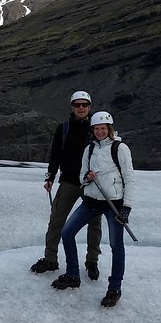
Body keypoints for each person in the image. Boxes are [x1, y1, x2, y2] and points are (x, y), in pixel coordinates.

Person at [51, 111, 135, 307]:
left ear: (109, 129)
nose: (99, 132)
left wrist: (127, 208)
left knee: (116, 245)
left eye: (103, 128)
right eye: (96, 129)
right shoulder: (89, 149)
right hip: (91, 200)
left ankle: (114, 288)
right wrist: (86, 178)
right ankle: (73, 274)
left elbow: (129, 178)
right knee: (67, 232)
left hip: (114, 203)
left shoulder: (120, 148)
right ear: (93, 130)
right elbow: (81, 176)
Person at [30, 91, 102, 279]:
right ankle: (50, 259)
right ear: (72, 107)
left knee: (94, 223)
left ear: (89, 107)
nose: (81, 108)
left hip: (92, 184)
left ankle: (92, 261)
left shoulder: (97, 129)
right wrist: (50, 177)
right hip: (69, 181)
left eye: (84, 105)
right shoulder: (64, 129)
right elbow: (55, 154)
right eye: (77, 105)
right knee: (56, 221)